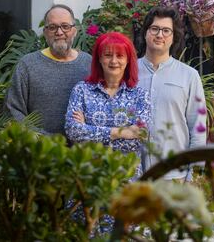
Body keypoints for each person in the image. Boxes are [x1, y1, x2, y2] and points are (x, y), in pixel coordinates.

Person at [65, 31, 151, 234]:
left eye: (120, 56)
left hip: (126, 184)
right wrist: (119, 132)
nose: (114, 61)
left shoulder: (140, 94)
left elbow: (140, 134)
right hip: (87, 184)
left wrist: (89, 130)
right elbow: (73, 130)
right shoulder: (82, 90)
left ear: (128, 60)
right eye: (108, 55)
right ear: (99, 59)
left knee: (125, 236)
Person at [137, 6, 207, 180]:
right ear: (146, 33)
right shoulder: (128, 72)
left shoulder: (189, 76)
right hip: (134, 174)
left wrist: (194, 176)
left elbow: (198, 129)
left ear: (173, 37)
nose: (159, 35)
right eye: (154, 29)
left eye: (166, 30)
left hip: (174, 176)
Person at [5, 4, 92, 135]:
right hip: (40, 150)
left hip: (82, 150)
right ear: (45, 32)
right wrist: (46, 141)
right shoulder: (28, 65)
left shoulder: (89, 63)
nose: (59, 32)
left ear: (75, 30)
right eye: (52, 27)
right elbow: (12, 110)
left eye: (65, 26)